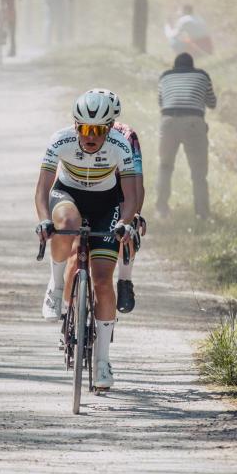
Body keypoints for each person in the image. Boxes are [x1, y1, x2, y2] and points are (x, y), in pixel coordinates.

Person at [34, 90, 138, 390]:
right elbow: (42, 188)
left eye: (98, 130)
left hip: (106, 204)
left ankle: (103, 361)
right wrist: (44, 220)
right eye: (84, 128)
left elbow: (129, 197)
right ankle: (55, 287)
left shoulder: (120, 146)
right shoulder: (60, 140)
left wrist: (123, 223)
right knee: (66, 224)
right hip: (68, 195)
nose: (90, 136)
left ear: (109, 128)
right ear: (75, 125)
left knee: (103, 281)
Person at [88, 87, 146, 314]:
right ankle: (68, 304)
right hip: (89, 189)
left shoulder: (127, 135)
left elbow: (137, 179)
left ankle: (124, 280)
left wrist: (135, 214)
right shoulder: (80, 131)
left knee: (126, 229)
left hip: (120, 188)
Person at [156, 51, 217, 220]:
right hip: (193, 123)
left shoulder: (165, 76)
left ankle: (161, 210)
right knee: (198, 173)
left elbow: (161, 102)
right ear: (192, 66)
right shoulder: (202, 76)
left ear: (175, 66)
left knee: (165, 167)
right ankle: (202, 214)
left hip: (168, 122)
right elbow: (212, 103)